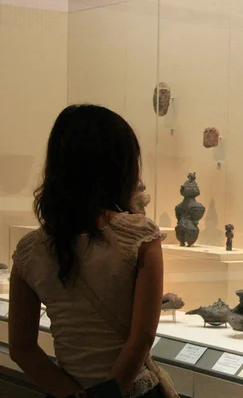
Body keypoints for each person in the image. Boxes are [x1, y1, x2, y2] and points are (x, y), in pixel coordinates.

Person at [8, 105, 164, 398]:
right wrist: (108, 394)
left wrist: (74, 394)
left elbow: (21, 348)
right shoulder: (139, 235)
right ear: (120, 166)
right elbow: (142, 337)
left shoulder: (29, 252)